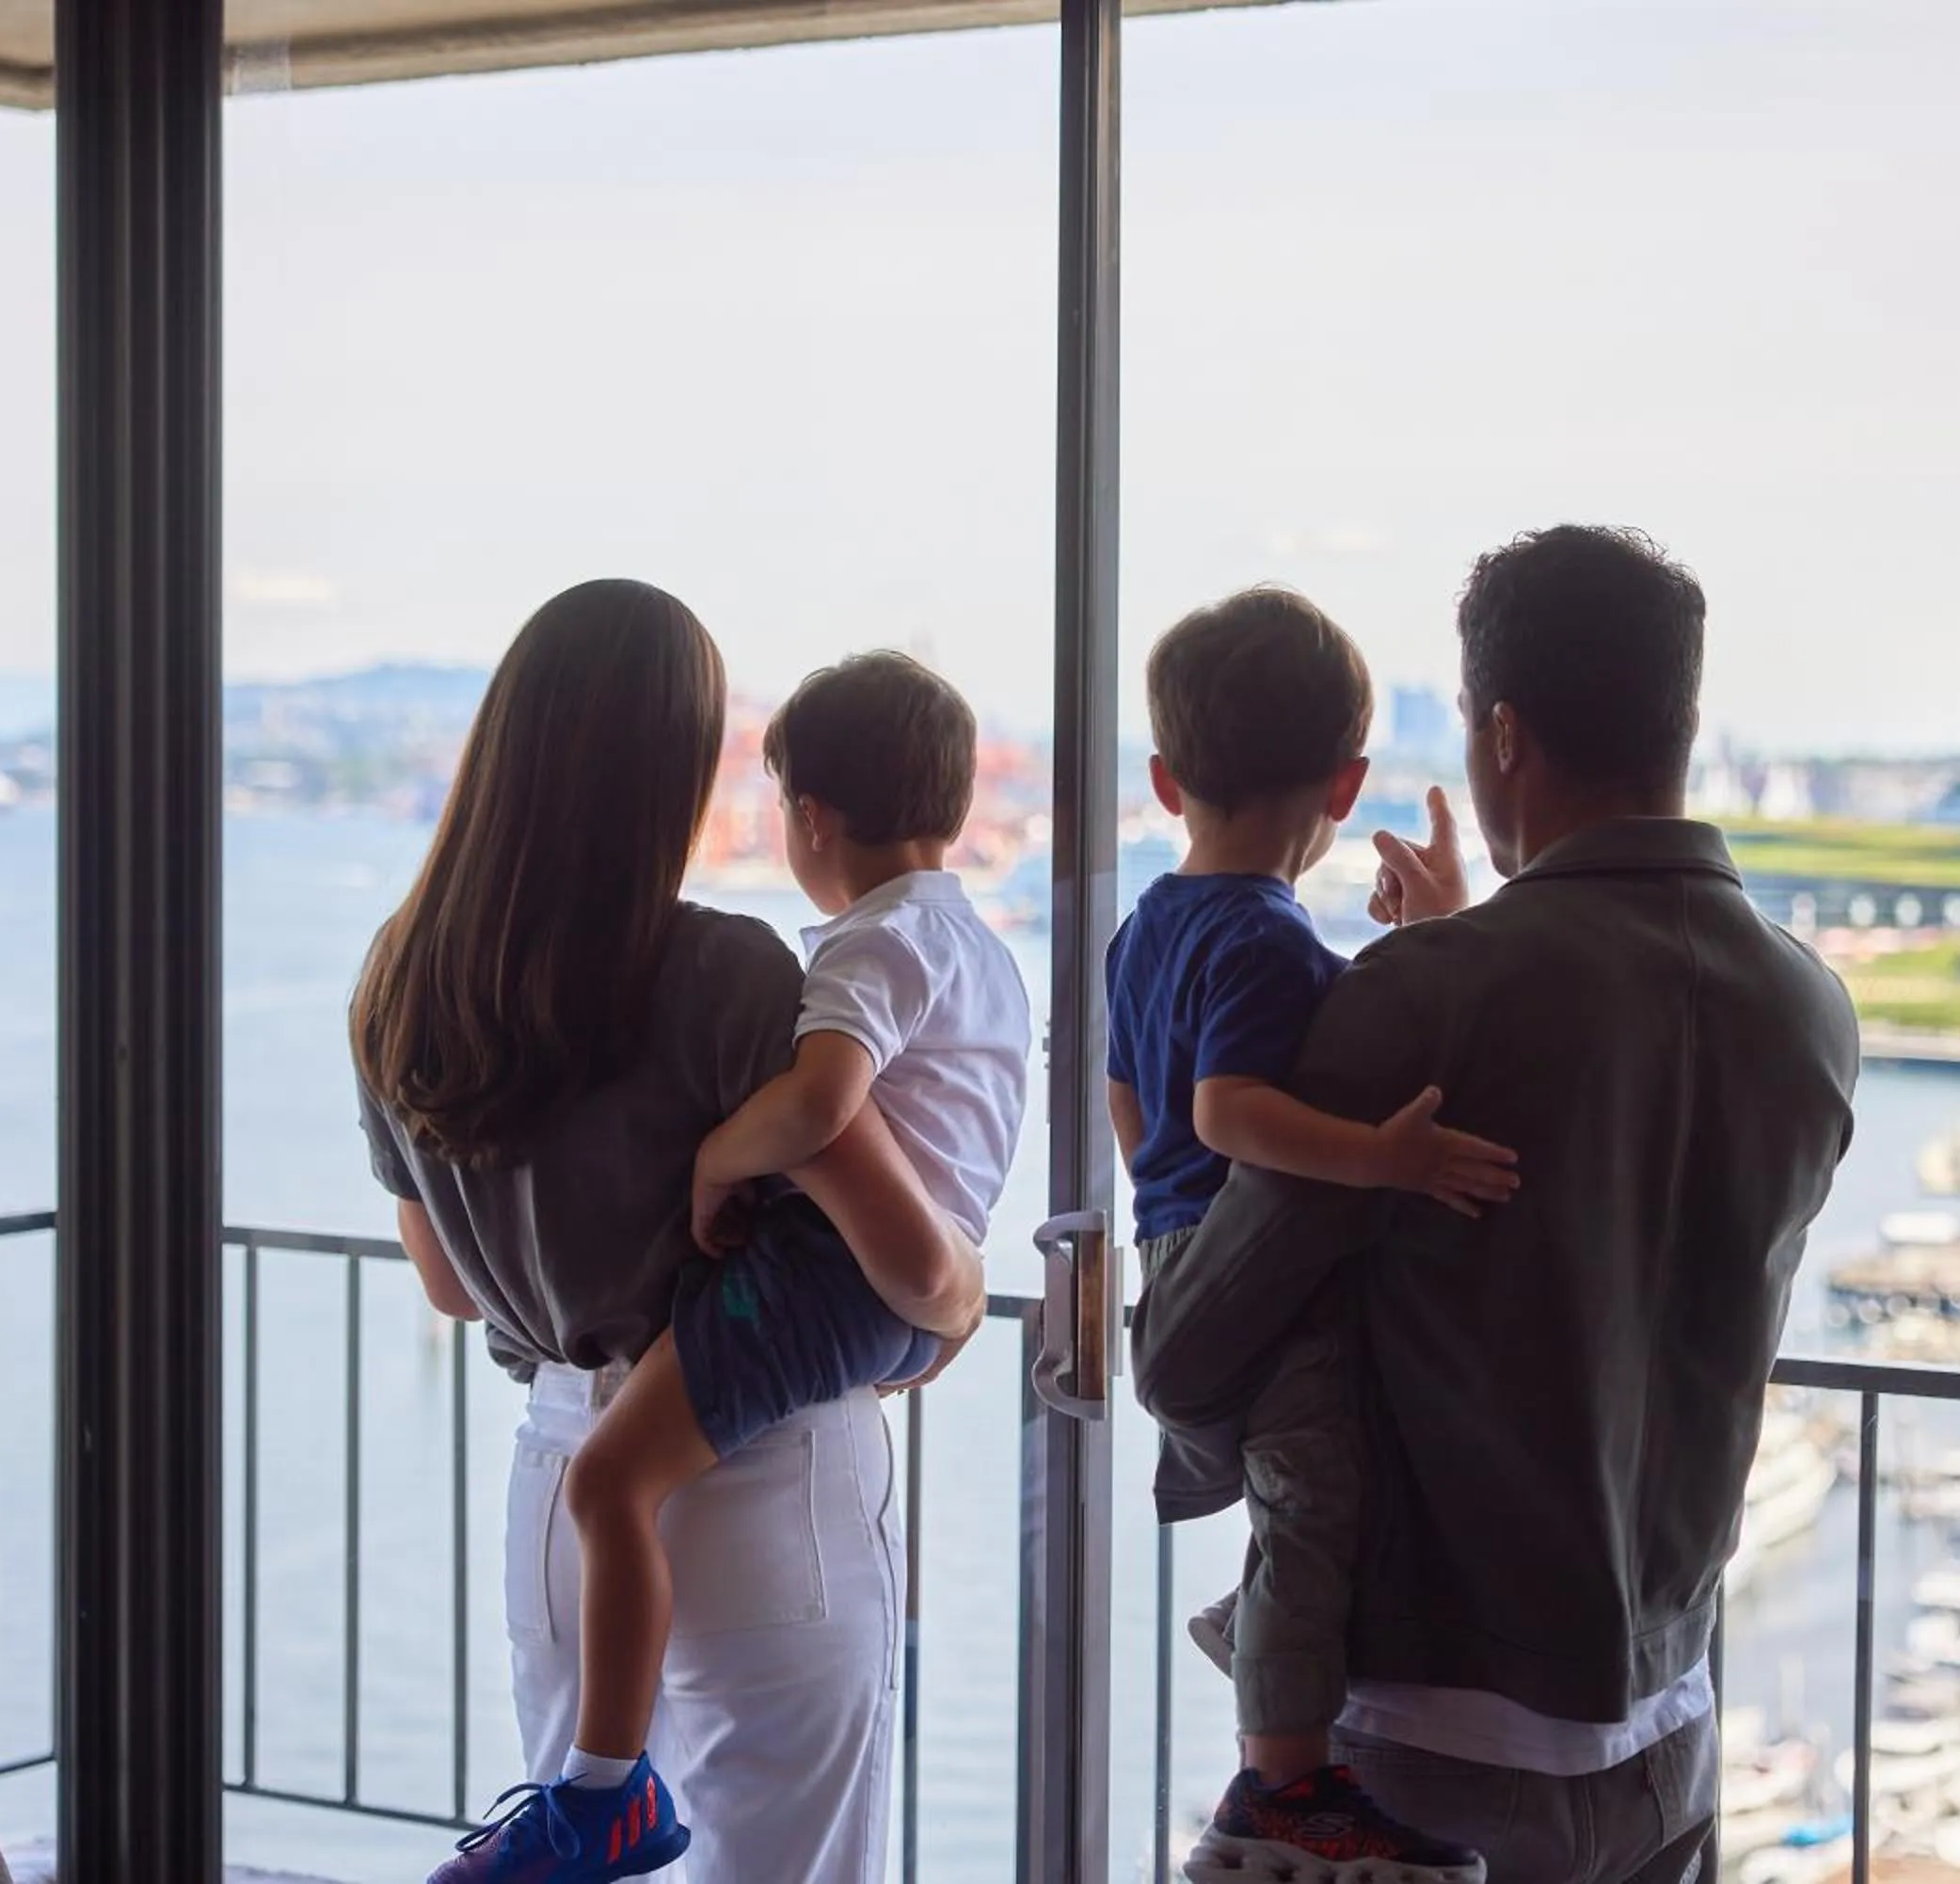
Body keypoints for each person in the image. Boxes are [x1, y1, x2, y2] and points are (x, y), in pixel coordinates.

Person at [1137, 528, 1860, 1884]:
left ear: (1505, 734)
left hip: (1432, 1750)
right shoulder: (1809, 1007)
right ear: (1680, 720)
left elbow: (1187, 1349)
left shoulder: (1425, 997)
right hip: (1672, 1724)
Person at [352, 581, 988, 1884]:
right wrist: (966, 1300)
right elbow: (916, 1268)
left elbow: (449, 1286)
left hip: (561, 1486)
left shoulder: (395, 979)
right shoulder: (728, 975)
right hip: (770, 1485)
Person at [537, 649, 1029, 1874]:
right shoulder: (981, 945)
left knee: (606, 1482)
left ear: (810, 819)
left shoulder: (875, 941)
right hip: (895, 1295)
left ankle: (602, 1791)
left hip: (832, 1279)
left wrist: (715, 1160)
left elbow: (818, 1105)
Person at [1108, 586, 1519, 1883]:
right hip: (1243, 1280)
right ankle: (1283, 1784)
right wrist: (1381, 1157)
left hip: (1176, 1252)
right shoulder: (1268, 936)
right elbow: (1234, 1107)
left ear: (1168, 779)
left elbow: (1137, 1094)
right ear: (1346, 787)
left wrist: (1167, 1198)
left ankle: (1263, 1634)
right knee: (1317, 1489)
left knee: (1300, 1498)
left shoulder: (1149, 924)